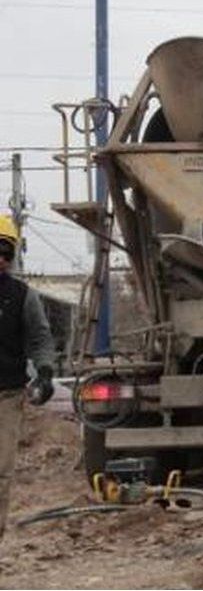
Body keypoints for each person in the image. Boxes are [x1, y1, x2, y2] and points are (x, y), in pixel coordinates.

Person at [0, 215, 56, 541]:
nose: (1, 260)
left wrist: (45, 372)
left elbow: (40, 338)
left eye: (6, 253)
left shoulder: (22, 296)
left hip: (6, 396)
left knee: (1, 473)